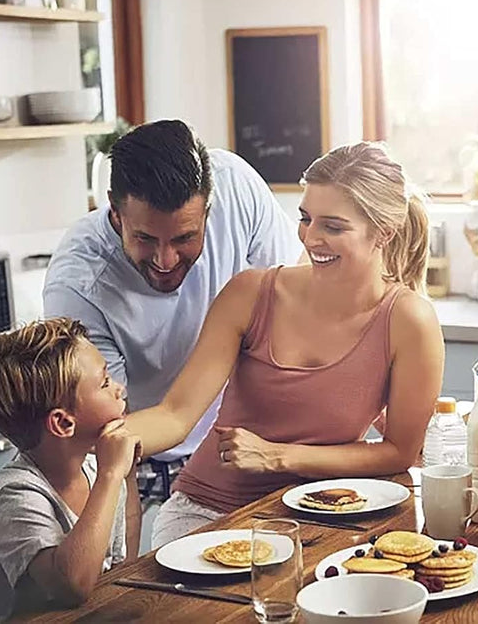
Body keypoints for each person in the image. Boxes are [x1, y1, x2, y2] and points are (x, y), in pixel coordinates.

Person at [125, 142, 445, 547]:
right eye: (306, 219)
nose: (311, 238)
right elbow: (175, 415)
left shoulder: (409, 321)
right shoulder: (250, 293)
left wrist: (277, 455)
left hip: (325, 515)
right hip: (209, 512)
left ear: (383, 232)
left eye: (333, 226)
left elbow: (399, 451)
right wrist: (104, 440)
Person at [43, 120, 303, 462]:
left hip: (247, 442)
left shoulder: (235, 188)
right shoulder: (77, 287)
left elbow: (293, 295)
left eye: (184, 238)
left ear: (209, 210)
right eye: (145, 238)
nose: (165, 261)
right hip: (148, 458)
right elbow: (108, 432)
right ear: (116, 213)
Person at [0, 318, 141, 622]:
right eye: (104, 382)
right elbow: (72, 585)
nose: (119, 388)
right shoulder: (14, 496)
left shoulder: (94, 468)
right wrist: (112, 476)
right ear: (63, 423)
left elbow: (122, 564)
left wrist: (126, 475)